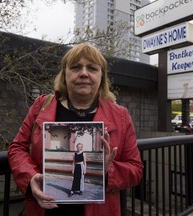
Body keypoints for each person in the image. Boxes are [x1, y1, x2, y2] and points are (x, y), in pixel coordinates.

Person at [8, 43, 143, 216]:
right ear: (65, 74)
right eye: (76, 67)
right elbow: (16, 148)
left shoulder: (121, 115)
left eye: (92, 68)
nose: (84, 73)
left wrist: (105, 172)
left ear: (102, 76)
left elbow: (136, 169)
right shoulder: (41, 106)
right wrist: (31, 177)